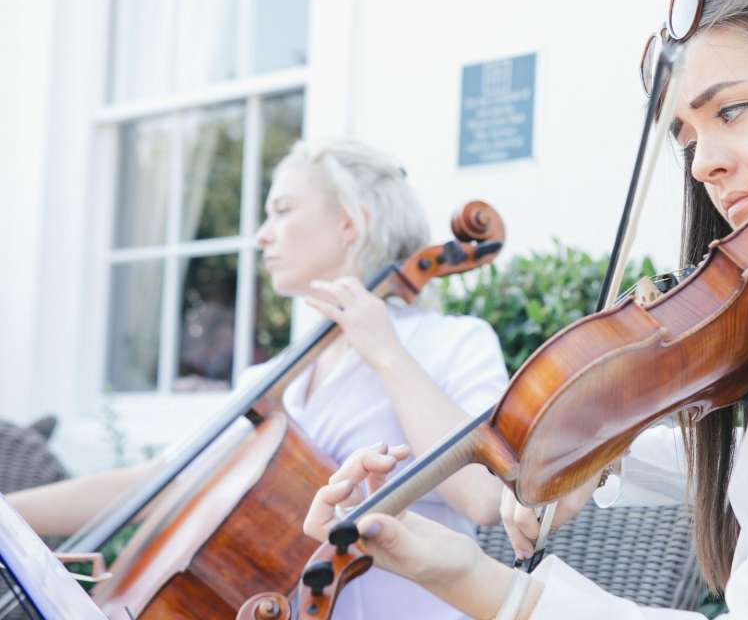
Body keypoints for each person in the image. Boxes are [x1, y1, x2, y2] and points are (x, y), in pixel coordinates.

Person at [302, 0, 748, 618]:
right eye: (688, 136)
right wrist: (600, 453)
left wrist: (486, 585)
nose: (702, 165)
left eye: (732, 110)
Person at [9, 140, 508, 620]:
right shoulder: (272, 379)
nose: (262, 235)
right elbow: (165, 482)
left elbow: (485, 497)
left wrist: (384, 351)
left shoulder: (453, 342)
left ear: (349, 222)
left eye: (282, 210)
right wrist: (8, 514)